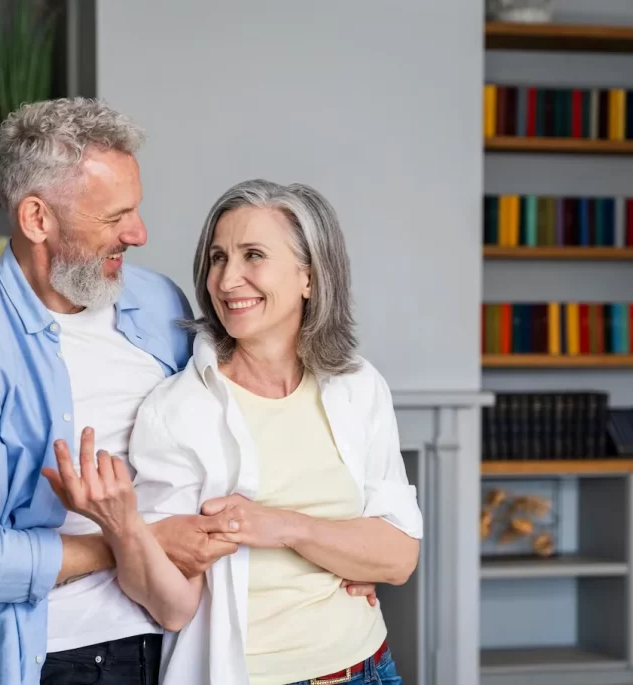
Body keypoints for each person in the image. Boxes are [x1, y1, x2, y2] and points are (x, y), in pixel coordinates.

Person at [0, 98, 378, 685]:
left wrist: (338, 558)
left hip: (191, 644)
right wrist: (133, 541)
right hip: (62, 657)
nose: (139, 233)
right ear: (37, 219)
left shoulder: (158, 302)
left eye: (137, 210)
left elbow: (243, 431)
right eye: (114, 217)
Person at [43, 179, 422, 685]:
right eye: (218, 258)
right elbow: (174, 608)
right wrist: (123, 526)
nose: (227, 280)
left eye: (253, 256)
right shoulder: (178, 410)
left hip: (368, 668)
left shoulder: (357, 385)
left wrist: (284, 528)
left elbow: (398, 559)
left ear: (309, 276)